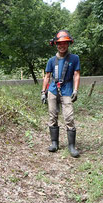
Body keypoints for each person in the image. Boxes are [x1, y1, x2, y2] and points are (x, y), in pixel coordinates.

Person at [41, 30, 80, 158]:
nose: (61, 46)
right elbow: (47, 76)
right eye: (59, 43)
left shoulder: (74, 58)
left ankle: (71, 146)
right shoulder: (51, 61)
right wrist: (43, 92)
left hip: (67, 90)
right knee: (52, 116)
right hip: (53, 90)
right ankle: (54, 143)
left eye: (64, 43)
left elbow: (76, 75)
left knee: (69, 117)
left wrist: (75, 90)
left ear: (68, 44)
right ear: (55, 44)